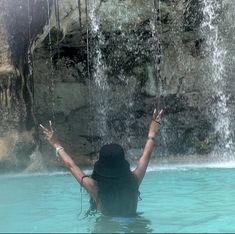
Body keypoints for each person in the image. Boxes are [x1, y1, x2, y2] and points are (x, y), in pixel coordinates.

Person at [40, 109, 162, 217]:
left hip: (107, 227)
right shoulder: (134, 180)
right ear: (122, 163)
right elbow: (146, 156)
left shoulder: (94, 187)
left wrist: (55, 143)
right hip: (134, 224)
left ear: (101, 165)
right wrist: (152, 133)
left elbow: (71, 165)